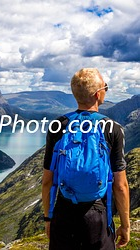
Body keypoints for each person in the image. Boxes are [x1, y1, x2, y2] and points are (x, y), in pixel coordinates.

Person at [42, 68, 130, 250]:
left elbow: (47, 181)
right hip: (97, 215)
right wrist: (125, 225)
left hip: (64, 212)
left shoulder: (58, 125)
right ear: (98, 94)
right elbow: (120, 185)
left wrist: (48, 218)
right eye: (106, 87)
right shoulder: (112, 129)